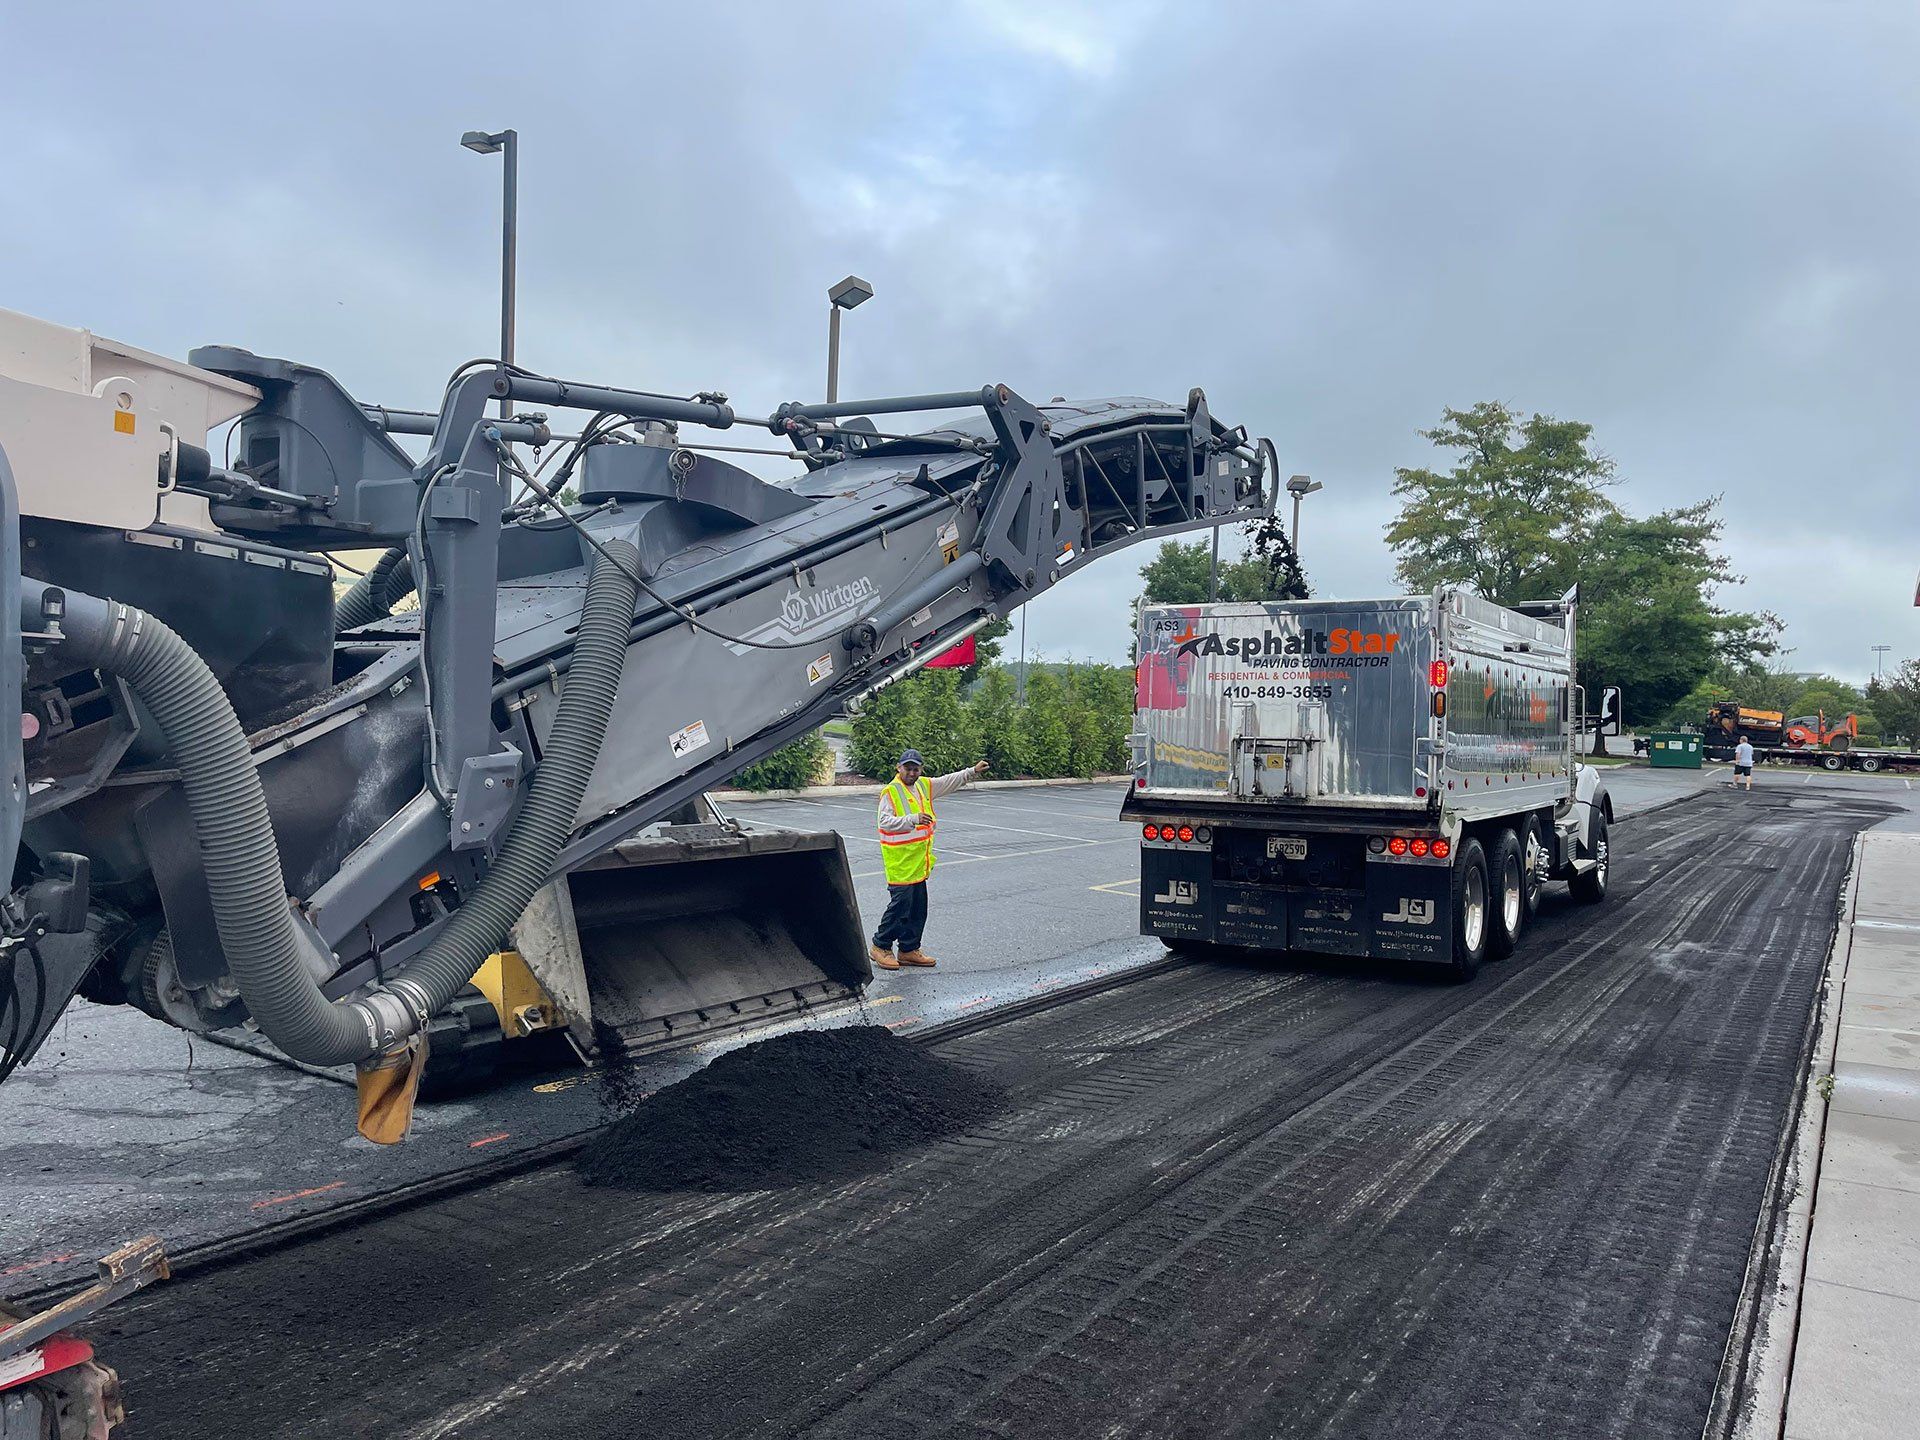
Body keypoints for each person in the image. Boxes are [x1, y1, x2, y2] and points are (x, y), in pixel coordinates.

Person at [870, 749, 990, 971]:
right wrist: (912, 819)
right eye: (908, 768)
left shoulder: (924, 786)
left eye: (915, 769)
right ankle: (880, 946)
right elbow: (884, 822)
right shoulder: (891, 791)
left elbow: (949, 781)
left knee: (918, 908)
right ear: (898, 768)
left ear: (920, 770)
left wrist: (972, 771)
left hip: (918, 862)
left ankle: (908, 949)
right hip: (900, 862)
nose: (912, 773)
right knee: (901, 907)